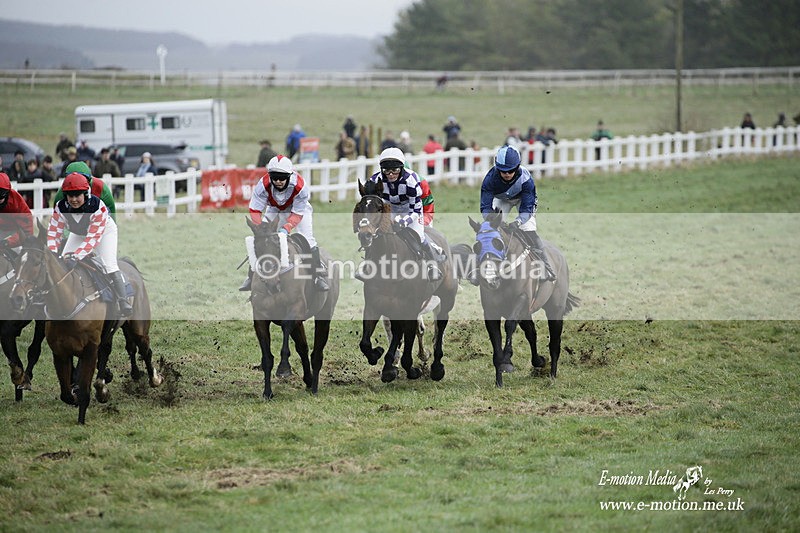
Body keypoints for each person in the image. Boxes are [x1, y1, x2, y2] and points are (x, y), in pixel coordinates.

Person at [239, 155, 328, 292]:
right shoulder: (262, 185)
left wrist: (286, 228)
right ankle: (251, 277)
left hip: (298, 210)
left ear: (289, 175)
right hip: (274, 209)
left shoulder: (300, 186)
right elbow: (255, 209)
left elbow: (297, 214)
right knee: (261, 239)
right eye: (274, 177)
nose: (278, 181)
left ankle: (317, 276)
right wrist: (260, 228)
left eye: (282, 177)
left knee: (308, 239)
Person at [47, 172, 132, 316]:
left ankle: (123, 301)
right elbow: (53, 233)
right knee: (62, 263)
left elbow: (92, 239)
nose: (73, 200)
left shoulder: (98, 207)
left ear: (86, 194)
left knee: (108, 265)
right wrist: (54, 255)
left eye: (77, 195)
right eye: (70, 196)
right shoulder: (60, 207)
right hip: (79, 233)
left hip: (104, 232)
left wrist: (76, 256)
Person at [364, 147, 443, 281]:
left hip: (410, 210)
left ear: (401, 168)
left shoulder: (411, 182)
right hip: (390, 208)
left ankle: (432, 265)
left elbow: (416, 211)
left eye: (394, 170)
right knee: (373, 234)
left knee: (419, 235)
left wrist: (403, 222)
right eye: (386, 170)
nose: (390, 174)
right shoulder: (374, 180)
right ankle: (367, 265)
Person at [480, 145, 556, 282]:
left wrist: (518, 222)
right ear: (497, 168)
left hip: (523, 200)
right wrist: (493, 219)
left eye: (511, 170)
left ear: (518, 167)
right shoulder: (489, 179)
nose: (507, 174)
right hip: (502, 199)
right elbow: (485, 207)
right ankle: (479, 268)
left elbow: (527, 208)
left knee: (528, 229)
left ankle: (545, 266)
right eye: (503, 171)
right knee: (488, 228)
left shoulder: (526, 180)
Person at [52, 161, 116, 221]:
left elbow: (111, 212)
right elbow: (57, 217)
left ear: (88, 179)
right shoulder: (62, 192)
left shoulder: (100, 187)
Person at [0, 172, 34, 254]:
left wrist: (7, 242)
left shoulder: (17, 203)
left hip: (14, 234)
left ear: (7, 193)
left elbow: (27, 232)